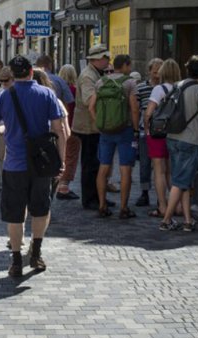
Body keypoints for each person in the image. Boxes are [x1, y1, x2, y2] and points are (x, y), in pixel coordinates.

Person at [0, 55, 67, 278]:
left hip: (14, 164)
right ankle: (36, 253)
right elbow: (59, 130)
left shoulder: (3, 97)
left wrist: (9, 131)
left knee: (15, 214)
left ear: (11, 74)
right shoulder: (47, 94)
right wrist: (61, 159)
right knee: (41, 209)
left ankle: (15, 260)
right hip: (42, 164)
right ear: (31, 72)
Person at [158, 56, 198, 231]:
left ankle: (187, 221)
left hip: (173, 137)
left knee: (182, 180)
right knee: (181, 182)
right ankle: (166, 220)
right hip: (191, 140)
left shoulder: (177, 85)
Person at [87, 54, 138, 218]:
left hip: (105, 131)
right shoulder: (130, 82)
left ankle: (102, 205)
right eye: (129, 66)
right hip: (125, 129)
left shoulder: (101, 82)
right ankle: (124, 208)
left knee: (103, 168)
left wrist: (100, 123)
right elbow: (134, 108)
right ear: (124, 66)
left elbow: (91, 107)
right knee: (125, 169)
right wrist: (136, 128)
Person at [72, 44, 114, 210]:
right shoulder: (88, 76)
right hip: (88, 127)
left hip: (93, 126)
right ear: (96, 59)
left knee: (95, 164)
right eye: (105, 58)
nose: (107, 60)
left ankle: (98, 195)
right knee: (90, 165)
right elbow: (90, 100)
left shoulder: (96, 73)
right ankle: (90, 198)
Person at [144, 59, 182, 218]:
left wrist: (146, 128)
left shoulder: (159, 89)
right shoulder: (181, 89)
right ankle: (178, 206)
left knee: (159, 171)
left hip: (158, 133)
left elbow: (148, 113)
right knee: (172, 172)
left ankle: (163, 206)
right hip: (175, 133)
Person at [130, 58, 163, 207]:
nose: (157, 74)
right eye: (154, 71)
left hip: (162, 132)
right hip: (145, 131)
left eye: (159, 71)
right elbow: (135, 109)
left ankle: (160, 195)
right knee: (144, 164)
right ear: (149, 71)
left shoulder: (165, 88)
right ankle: (144, 193)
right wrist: (136, 129)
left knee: (160, 166)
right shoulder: (141, 87)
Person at [55, 64, 81, 200]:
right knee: (70, 156)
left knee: (60, 155)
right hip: (72, 126)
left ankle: (58, 183)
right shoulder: (74, 90)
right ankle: (64, 186)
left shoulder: (55, 87)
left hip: (58, 126)